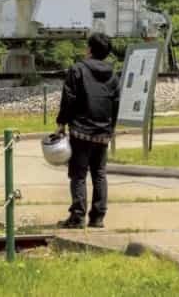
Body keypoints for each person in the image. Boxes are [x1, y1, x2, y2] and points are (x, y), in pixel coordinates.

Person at [55, 32, 119, 229]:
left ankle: (77, 216)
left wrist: (61, 122)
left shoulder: (77, 69)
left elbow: (69, 98)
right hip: (103, 132)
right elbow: (116, 103)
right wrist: (111, 127)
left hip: (81, 130)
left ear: (90, 49)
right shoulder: (113, 75)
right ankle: (98, 217)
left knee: (78, 174)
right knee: (99, 173)